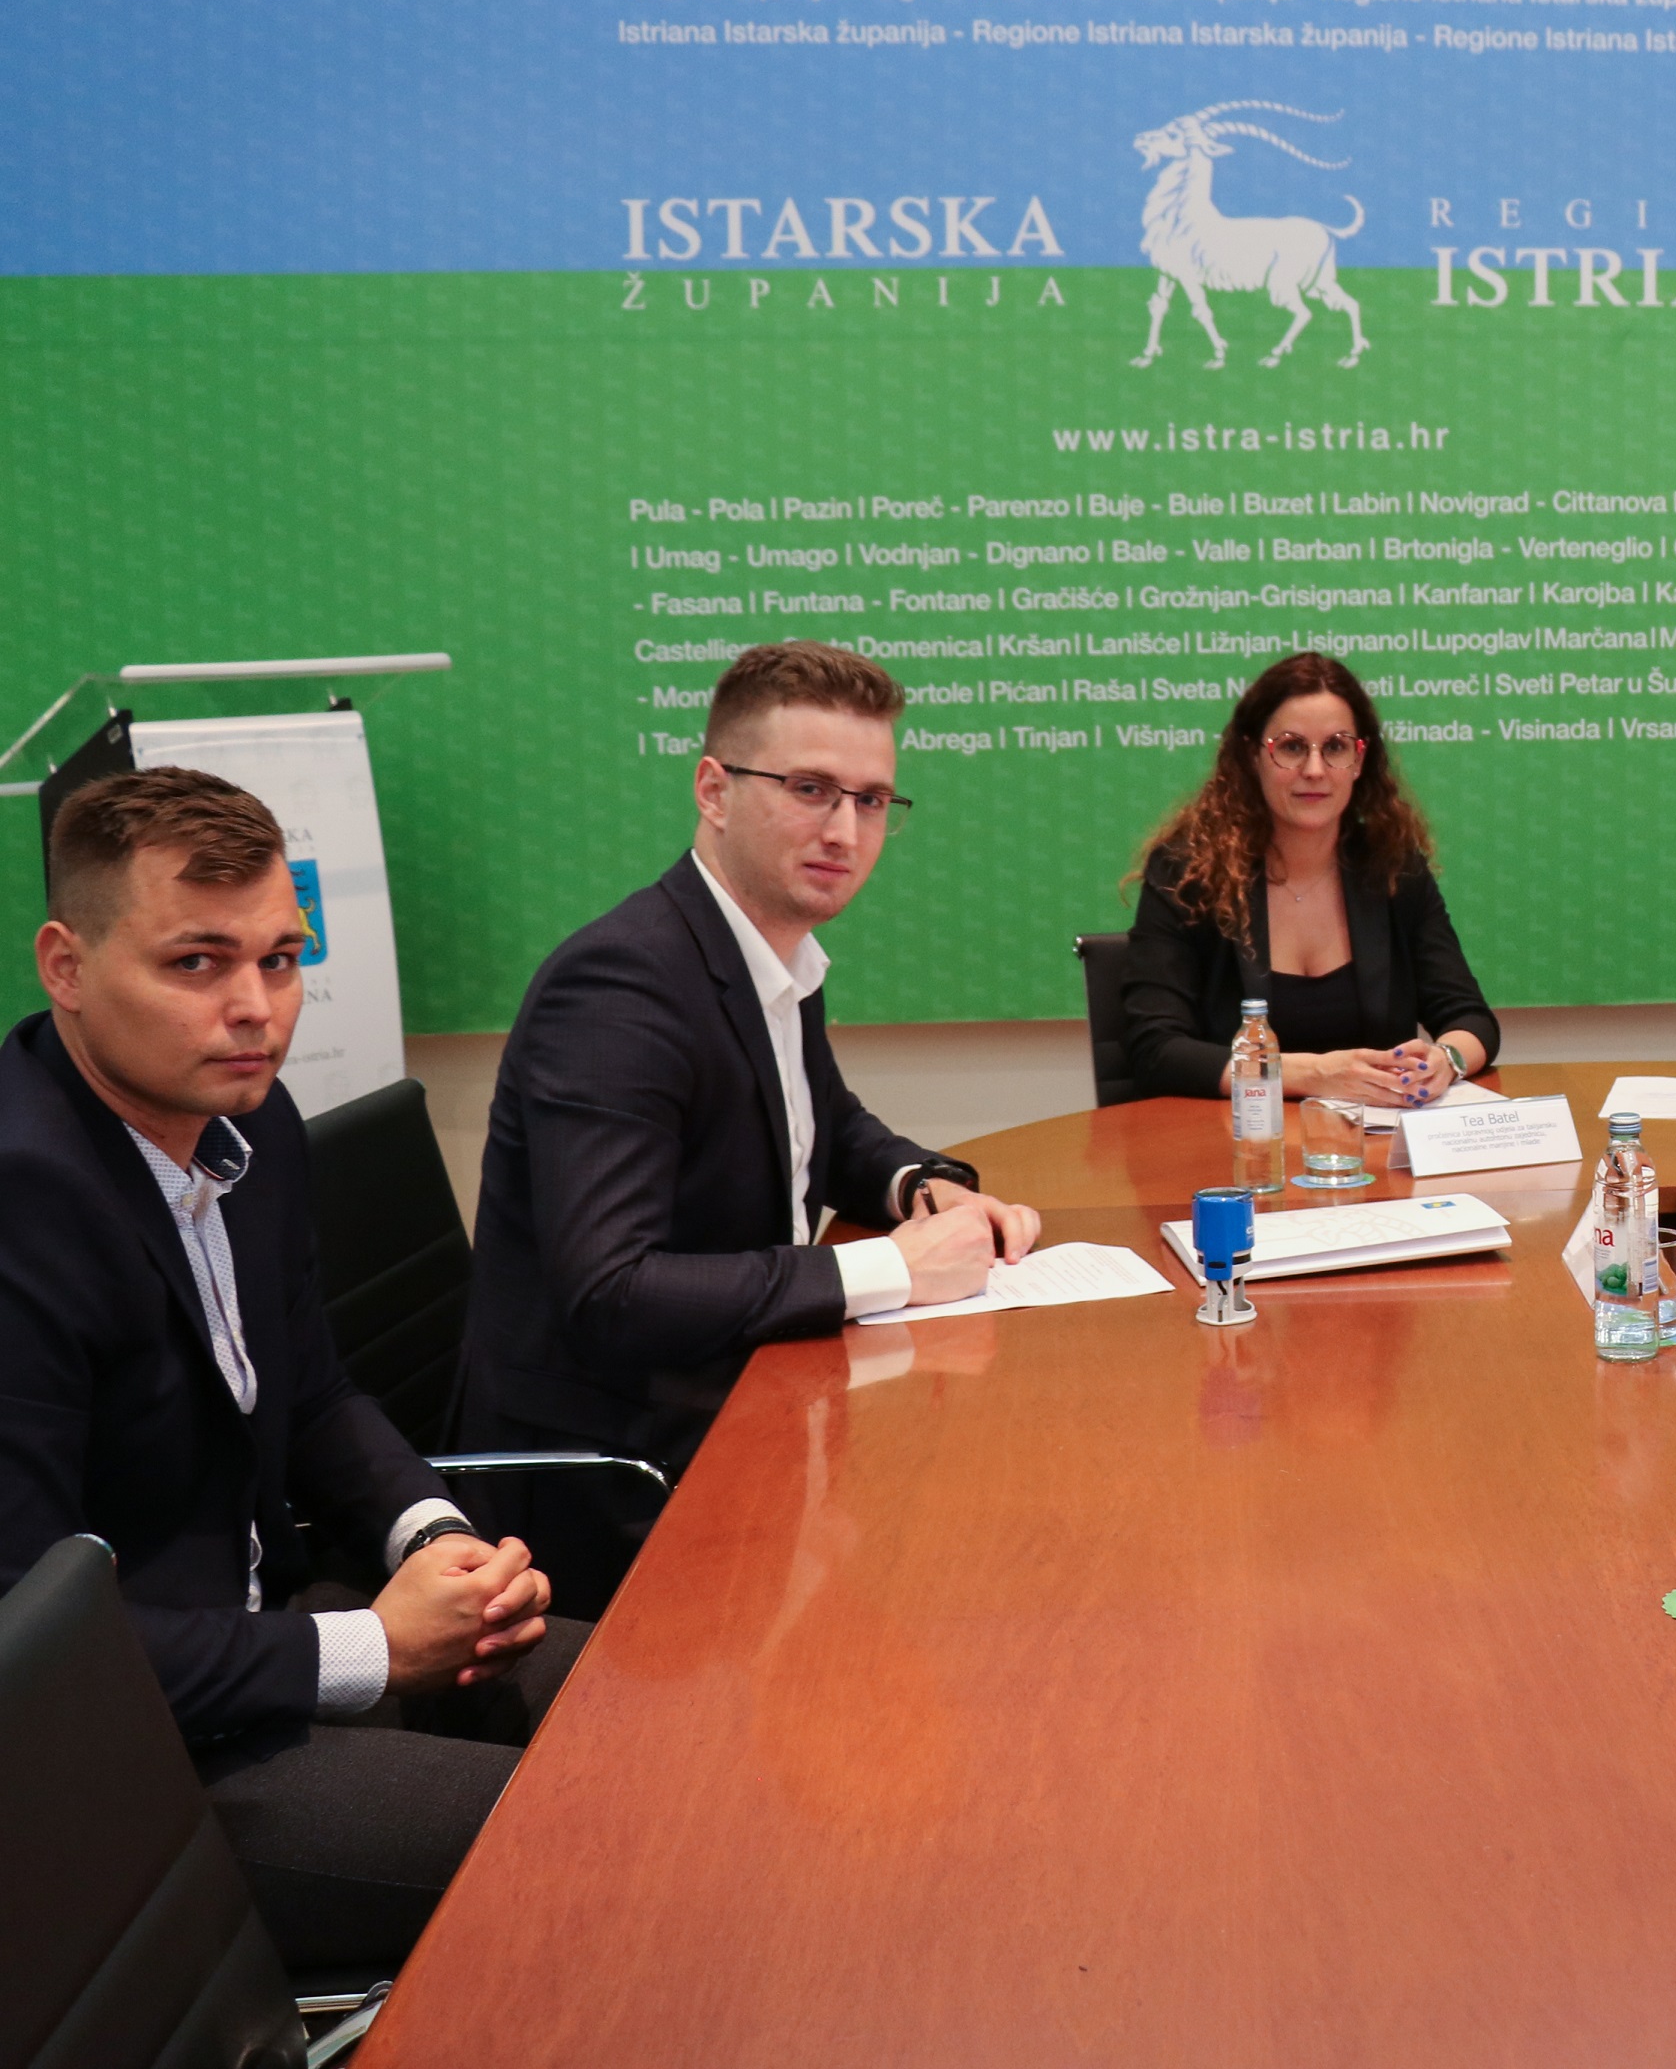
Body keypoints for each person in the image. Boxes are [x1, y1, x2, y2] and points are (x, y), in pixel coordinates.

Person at [0, 768, 573, 1966]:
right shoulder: (23, 1204)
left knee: (667, 1720)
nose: (255, 1009)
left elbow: (311, 1394)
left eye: (279, 958)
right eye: (195, 963)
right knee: (610, 1840)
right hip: (126, 1764)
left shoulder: (250, 1124)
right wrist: (376, 1649)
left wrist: (431, 1539)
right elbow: (35, 1638)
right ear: (66, 966)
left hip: (276, 1629)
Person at [459, 642, 1041, 1611]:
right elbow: (612, 1290)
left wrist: (920, 1186)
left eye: (871, 800)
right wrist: (892, 1267)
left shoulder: (773, 949)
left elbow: (825, 1127)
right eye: (810, 789)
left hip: (740, 1408)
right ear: (714, 790)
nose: (844, 830)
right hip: (615, 1487)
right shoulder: (621, 987)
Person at [1118, 650, 1501, 1104]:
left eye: (1335, 747)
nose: (1315, 770)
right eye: (1292, 747)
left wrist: (1445, 1060)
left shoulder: (1393, 868)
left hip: (1373, 1139)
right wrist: (1315, 1074)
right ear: (1253, 756)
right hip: (1235, 1138)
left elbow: (1470, 1018)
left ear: (1359, 760)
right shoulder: (1187, 874)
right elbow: (1156, 1049)